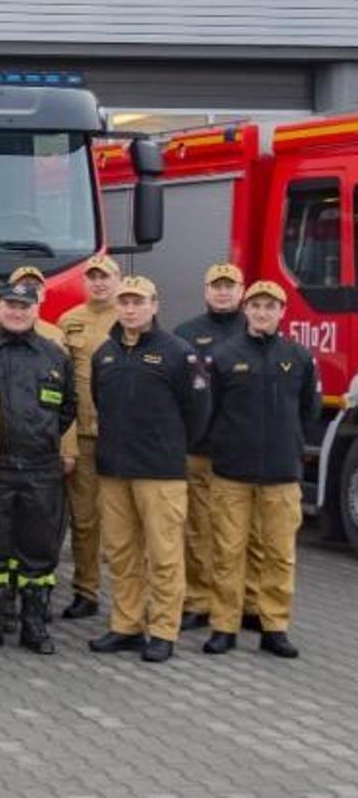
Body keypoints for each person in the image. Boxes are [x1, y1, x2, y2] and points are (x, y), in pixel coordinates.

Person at [87, 275, 210, 663]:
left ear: (154, 306)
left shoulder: (178, 353)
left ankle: (162, 630)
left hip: (160, 473)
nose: (130, 308)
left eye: (138, 302)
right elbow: (99, 402)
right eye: (124, 302)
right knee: (121, 553)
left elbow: (199, 412)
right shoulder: (104, 354)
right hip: (114, 470)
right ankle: (126, 626)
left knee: (164, 554)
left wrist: (170, 446)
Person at [202, 281, 311, 658]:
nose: (262, 312)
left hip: (282, 475)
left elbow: (308, 411)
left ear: (282, 312)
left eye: (270, 306)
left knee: (279, 553)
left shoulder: (298, 357)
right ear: (245, 310)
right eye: (256, 306)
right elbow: (207, 412)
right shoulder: (223, 356)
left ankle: (274, 627)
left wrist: (289, 446)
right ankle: (223, 626)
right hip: (232, 473)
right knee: (228, 551)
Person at [0, 281, 77, 654]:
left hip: (40, 468)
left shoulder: (54, 355)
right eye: (11, 305)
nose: (17, 312)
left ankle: (35, 627)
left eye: (24, 306)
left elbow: (67, 407)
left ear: (36, 309)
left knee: (39, 550)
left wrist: (43, 437)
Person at [171, 263, 246, 631]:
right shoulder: (185, 334)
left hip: (242, 454)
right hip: (199, 451)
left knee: (241, 533)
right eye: (216, 286)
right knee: (197, 531)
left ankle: (241, 604)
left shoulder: (256, 331)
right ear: (205, 291)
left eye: (229, 286)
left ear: (241, 291)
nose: (223, 292)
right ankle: (197, 602)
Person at [57, 254, 123, 620]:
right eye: (93, 277)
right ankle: (86, 590)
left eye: (106, 277)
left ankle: (130, 598)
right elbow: (64, 389)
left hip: (120, 438)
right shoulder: (70, 322)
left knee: (124, 522)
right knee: (84, 521)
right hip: (82, 435)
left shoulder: (130, 318)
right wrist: (65, 443)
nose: (99, 284)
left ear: (118, 280)